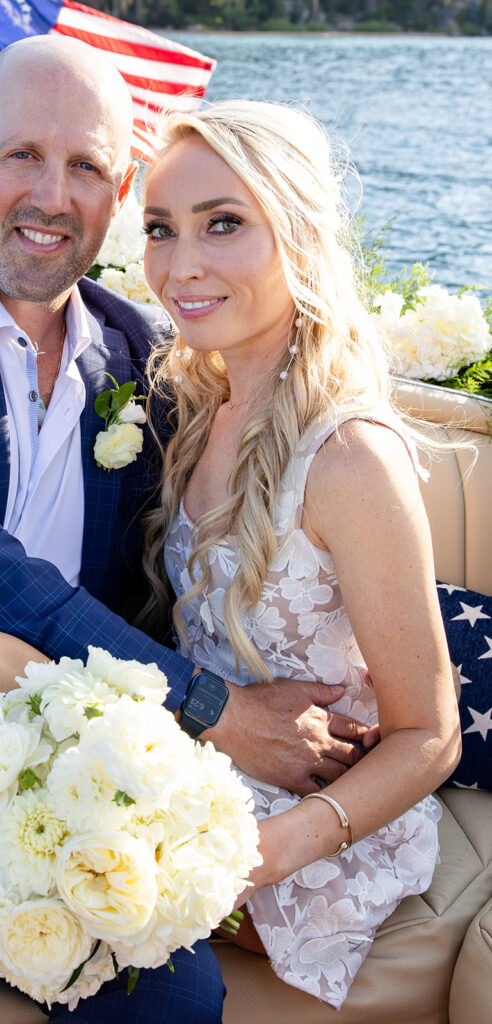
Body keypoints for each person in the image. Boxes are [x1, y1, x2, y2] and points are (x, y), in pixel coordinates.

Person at [0, 35, 372, 1020]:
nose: (52, 194)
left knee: (173, 1000)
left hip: (44, 798)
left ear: (119, 189)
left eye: (85, 165)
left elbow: (267, 471)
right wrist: (216, 710)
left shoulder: (146, 357)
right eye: (21, 156)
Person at [137, 99, 461, 1008]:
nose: (180, 266)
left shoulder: (348, 455)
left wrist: (258, 856)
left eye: (224, 225)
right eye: (161, 230)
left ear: (302, 234)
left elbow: (429, 735)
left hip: (306, 831)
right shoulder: (193, 407)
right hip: (195, 763)